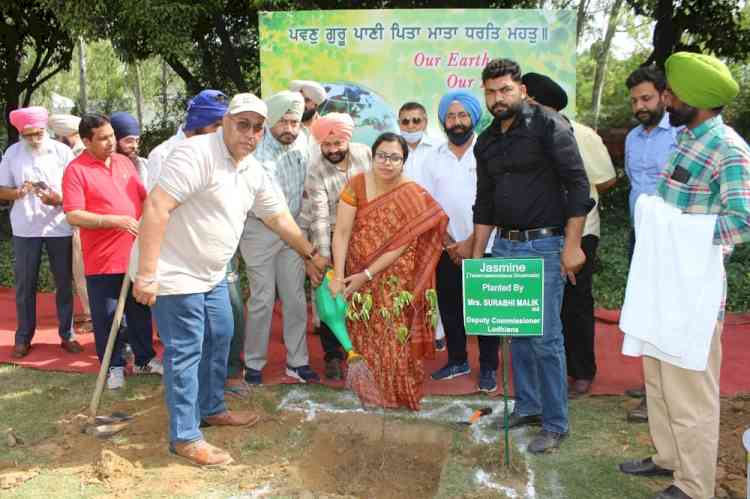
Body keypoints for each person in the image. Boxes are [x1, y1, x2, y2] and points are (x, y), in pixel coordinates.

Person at [131, 93, 327, 467]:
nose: (250, 133)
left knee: (221, 334)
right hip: (174, 272)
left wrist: (310, 254)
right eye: (242, 124)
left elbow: (279, 218)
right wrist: (147, 274)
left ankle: (211, 407)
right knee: (186, 349)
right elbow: (156, 206)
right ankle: (185, 436)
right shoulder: (195, 154)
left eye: (257, 127)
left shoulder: (252, 169)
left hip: (213, 272)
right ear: (225, 122)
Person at [619, 52, 750, 499]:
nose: (667, 98)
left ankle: (694, 486)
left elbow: (743, 221)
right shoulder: (685, 137)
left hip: (693, 288)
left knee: (690, 391)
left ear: (696, 98)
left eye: (673, 92)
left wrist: (680, 233)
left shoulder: (728, 148)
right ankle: (668, 459)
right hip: (661, 278)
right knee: (657, 378)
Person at [471, 58, 592, 453]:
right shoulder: (487, 140)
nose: (498, 98)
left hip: (546, 244)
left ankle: (556, 422)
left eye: (505, 89)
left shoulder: (548, 124)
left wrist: (572, 246)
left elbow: (577, 185)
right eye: (490, 92)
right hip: (504, 245)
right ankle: (528, 406)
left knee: (545, 337)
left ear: (521, 89)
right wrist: (476, 255)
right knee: (518, 334)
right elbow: (484, 202)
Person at [328, 132, 447, 410]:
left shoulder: (412, 193)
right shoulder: (356, 184)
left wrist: (366, 275)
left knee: (394, 333)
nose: (387, 162)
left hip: (395, 275)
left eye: (395, 157)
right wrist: (338, 274)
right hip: (354, 272)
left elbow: (403, 245)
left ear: (404, 161)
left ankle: (397, 394)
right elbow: (342, 232)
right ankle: (368, 393)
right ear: (373, 156)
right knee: (363, 329)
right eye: (382, 155)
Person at [522, 73, 617, 398]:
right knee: (538, 305)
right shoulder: (519, 133)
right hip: (535, 234)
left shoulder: (583, 135)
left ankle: (581, 371)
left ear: (537, 102)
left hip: (579, 233)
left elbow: (605, 180)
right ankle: (541, 371)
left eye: (527, 99)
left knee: (575, 304)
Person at [62, 113, 162, 390]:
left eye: (111, 136)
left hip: (135, 252)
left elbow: (143, 199)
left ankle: (144, 359)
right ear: (86, 141)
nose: (110, 142)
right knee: (107, 316)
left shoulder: (123, 162)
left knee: (140, 309)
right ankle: (113, 366)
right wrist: (115, 221)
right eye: (103, 138)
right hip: (102, 258)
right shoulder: (76, 170)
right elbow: (74, 215)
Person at [241, 90, 322, 385]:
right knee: (262, 298)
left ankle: (297, 363)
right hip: (260, 230)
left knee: (295, 298)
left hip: (295, 228)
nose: (289, 129)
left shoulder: (303, 142)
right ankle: (254, 365)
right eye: (283, 122)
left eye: (295, 122)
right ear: (271, 120)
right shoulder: (255, 151)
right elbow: (269, 208)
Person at [425, 91, 500, 392]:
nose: (456, 122)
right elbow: (427, 205)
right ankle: (457, 360)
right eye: (450, 116)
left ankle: (489, 367)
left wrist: (472, 243)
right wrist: (449, 243)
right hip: (446, 247)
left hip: (486, 244)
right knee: (451, 306)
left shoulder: (489, 152)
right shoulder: (433, 158)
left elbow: (496, 200)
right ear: (443, 120)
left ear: (473, 118)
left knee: (486, 310)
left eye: (462, 115)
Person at [0, 106, 82, 358]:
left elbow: (77, 189)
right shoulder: (12, 153)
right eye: (29, 135)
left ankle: (67, 334)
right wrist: (18, 193)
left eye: (38, 133)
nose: (35, 139)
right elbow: (2, 190)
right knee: (25, 285)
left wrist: (57, 199)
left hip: (59, 225)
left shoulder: (62, 151)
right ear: (21, 133)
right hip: (25, 227)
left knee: (64, 284)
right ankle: (23, 337)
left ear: (45, 129)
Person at [623, 66, 680, 422]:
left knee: (669, 315)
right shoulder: (632, 138)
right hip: (639, 237)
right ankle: (651, 385)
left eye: (646, 98)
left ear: (664, 96)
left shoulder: (681, 135)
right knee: (646, 311)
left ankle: (664, 395)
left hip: (673, 241)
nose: (640, 106)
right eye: (634, 101)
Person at [300, 112, 372, 380]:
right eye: (326, 145)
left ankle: (366, 349)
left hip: (365, 235)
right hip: (328, 234)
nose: (332, 150)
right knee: (330, 295)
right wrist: (324, 259)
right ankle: (332, 355)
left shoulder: (365, 155)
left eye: (337, 144)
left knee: (363, 293)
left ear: (347, 140)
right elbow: (318, 215)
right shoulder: (316, 168)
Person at [49, 113, 91, 330]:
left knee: (83, 272)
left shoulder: (77, 155)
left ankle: (92, 317)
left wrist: (58, 199)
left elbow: (82, 194)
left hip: (84, 222)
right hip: (76, 222)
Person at [147, 90, 228, 191]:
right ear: (196, 123)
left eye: (224, 126)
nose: (220, 132)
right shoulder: (163, 156)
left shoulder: (219, 153)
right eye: (216, 125)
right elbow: (154, 205)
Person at [398, 101, 441, 185]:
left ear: (425, 122)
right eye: (405, 121)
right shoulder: (390, 150)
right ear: (398, 123)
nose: (410, 126)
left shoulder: (440, 148)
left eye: (416, 120)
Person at [111, 111, 148, 185]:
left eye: (137, 141)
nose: (135, 146)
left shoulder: (146, 166)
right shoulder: (102, 171)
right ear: (114, 141)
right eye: (129, 141)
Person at [289, 79, 327, 147]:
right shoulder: (286, 127)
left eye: (306, 100)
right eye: (297, 100)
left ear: (316, 104)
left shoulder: (326, 127)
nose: (301, 104)